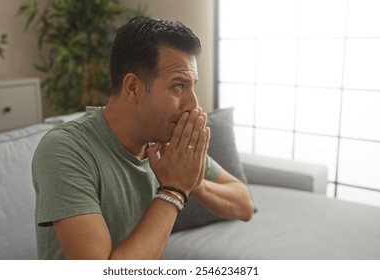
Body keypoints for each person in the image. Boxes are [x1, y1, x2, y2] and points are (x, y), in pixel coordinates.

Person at [32, 16, 255, 260]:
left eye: (193, 86)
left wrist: (191, 179)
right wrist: (173, 190)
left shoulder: (163, 141)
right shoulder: (65, 149)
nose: (194, 104)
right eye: (179, 86)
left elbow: (244, 206)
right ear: (133, 88)